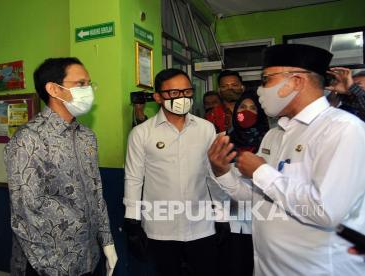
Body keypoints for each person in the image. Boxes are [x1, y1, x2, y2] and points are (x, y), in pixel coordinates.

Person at [208, 44, 365, 275]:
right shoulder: (274, 135)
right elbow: (257, 199)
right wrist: (222, 171)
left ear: (296, 81)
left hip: (317, 269)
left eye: (266, 80)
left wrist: (261, 171)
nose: (260, 90)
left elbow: (328, 211)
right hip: (268, 267)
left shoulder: (343, 129)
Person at [4, 57, 117, 276]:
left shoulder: (86, 137)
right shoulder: (29, 139)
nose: (88, 90)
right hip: (47, 264)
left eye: (89, 83)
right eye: (80, 84)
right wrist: (48, 265)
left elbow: (96, 193)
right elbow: (24, 213)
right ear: (54, 89)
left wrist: (107, 242)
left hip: (88, 258)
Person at [123, 68, 219, 276]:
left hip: (201, 225)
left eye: (187, 91)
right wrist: (132, 221)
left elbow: (212, 175)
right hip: (160, 228)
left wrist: (221, 214)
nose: (182, 97)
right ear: (158, 97)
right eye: (174, 93)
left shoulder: (206, 129)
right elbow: (133, 178)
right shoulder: (141, 133)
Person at [213, 91, 270, 276]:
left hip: (262, 225)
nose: (247, 112)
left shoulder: (270, 141)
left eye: (253, 108)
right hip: (231, 224)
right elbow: (213, 182)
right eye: (243, 108)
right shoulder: (224, 140)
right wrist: (220, 217)